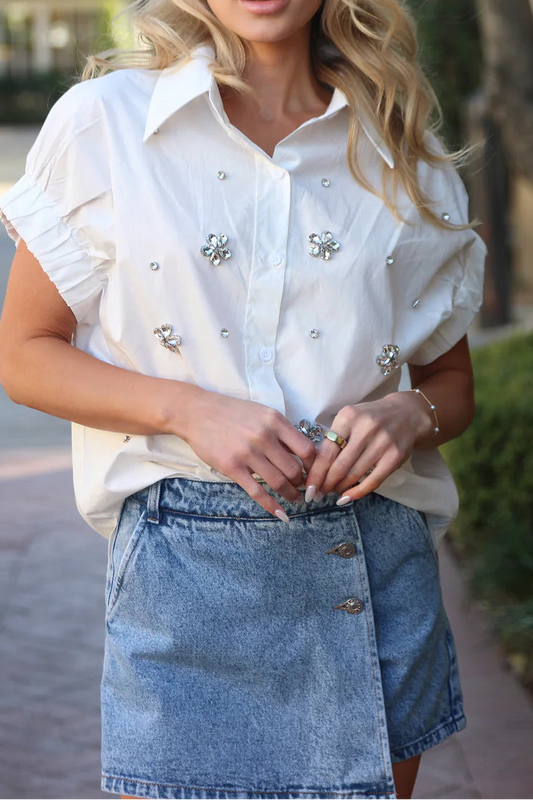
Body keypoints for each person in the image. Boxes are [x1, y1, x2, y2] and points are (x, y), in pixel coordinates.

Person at [0, 0, 487, 798]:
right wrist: (185, 408)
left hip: (368, 563)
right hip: (184, 581)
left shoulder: (400, 146)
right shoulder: (105, 124)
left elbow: (450, 384)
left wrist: (408, 413)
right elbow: (25, 355)